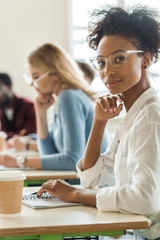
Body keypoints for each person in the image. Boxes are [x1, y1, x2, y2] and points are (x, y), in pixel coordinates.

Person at [36, 5, 160, 239]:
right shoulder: (133, 115)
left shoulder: (151, 117)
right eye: (101, 62)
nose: (108, 72)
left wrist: (75, 195)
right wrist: (99, 122)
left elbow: (145, 200)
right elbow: (92, 179)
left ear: (146, 59)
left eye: (119, 59)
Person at [0, 43, 108, 173]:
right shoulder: (63, 98)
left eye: (35, 77)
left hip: (91, 186)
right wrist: (41, 113)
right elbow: (49, 154)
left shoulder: (69, 97)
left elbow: (72, 160)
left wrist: (19, 161)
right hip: (78, 183)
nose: (33, 84)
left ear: (55, 74)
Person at [0, 73, 37, 139]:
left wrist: (4, 135)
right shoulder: (1, 110)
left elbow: (31, 134)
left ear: (9, 87)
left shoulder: (29, 106)